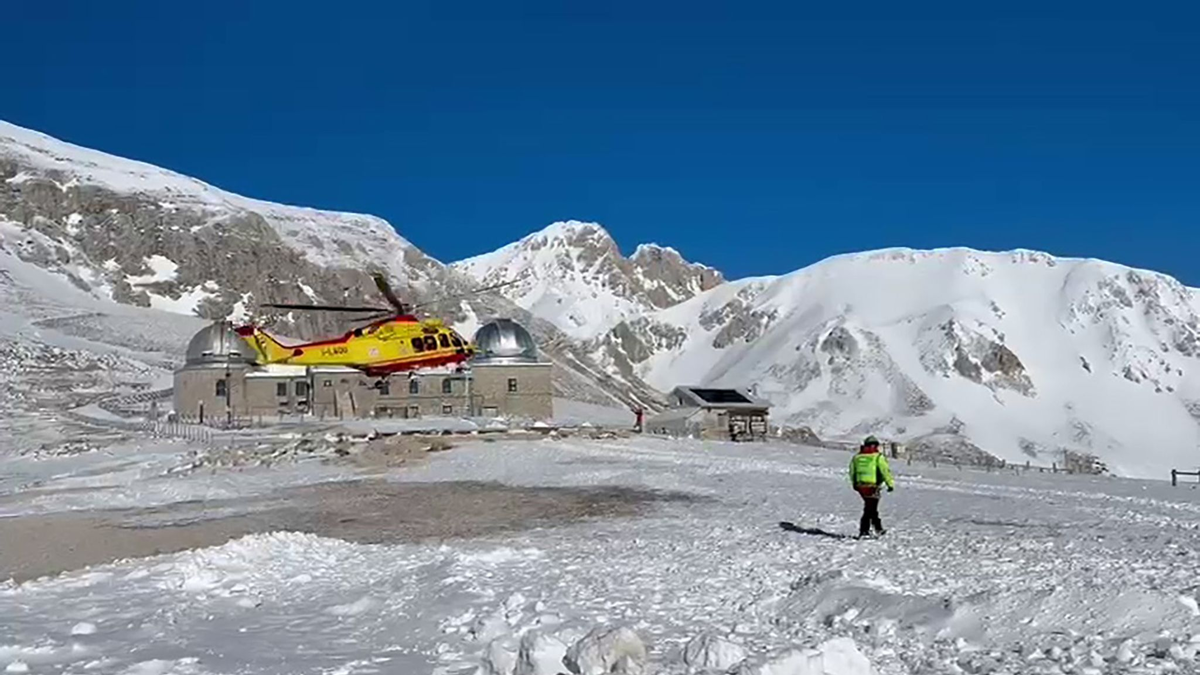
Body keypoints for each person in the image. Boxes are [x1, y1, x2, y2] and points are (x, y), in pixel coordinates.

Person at [849, 435, 895, 538]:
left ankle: (878, 528)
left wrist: (854, 483)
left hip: (860, 485)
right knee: (869, 508)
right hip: (872, 486)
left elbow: (852, 472)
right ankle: (864, 530)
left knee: (871, 507)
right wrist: (890, 484)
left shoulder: (857, 457)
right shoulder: (878, 457)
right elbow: (885, 471)